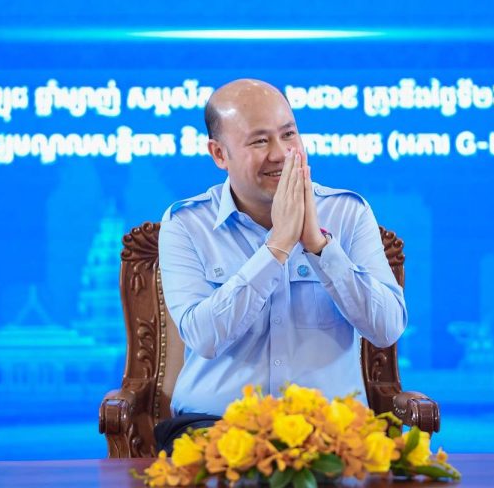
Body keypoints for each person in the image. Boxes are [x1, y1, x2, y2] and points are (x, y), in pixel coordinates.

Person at [155, 78, 407, 452]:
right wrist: (277, 247)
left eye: (289, 135)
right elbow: (203, 337)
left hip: (329, 430)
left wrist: (319, 247)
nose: (281, 153)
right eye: (259, 141)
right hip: (215, 429)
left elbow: (387, 328)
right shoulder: (187, 224)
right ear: (219, 154)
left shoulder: (348, 213)